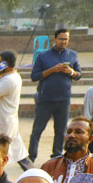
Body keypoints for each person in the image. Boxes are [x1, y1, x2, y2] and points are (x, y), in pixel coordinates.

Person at [29, 29, 82, 162]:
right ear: (55, 39)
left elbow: (78, 75)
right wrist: (52, 70)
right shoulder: (43, 56)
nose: (63, 42)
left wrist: (70, 72)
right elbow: (34, 76)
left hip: (63, 99)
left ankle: (57, 156)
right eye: (61, 39)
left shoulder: (72, 55)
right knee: (37, 130)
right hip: (45, 99)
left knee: (61, 131)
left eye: (66, 39)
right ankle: (31, 156)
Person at [39, 117, 92, 183]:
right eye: (69, 132)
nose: (71, 135)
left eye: (78, 132)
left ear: (90, 139)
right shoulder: (48, 166)